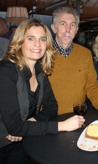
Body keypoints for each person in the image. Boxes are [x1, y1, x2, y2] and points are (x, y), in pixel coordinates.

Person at [0, 19, 85, 164]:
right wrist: (62, 126)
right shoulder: (6, 71)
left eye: (42, 39)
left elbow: (52, 106)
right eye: (31, 38)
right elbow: (14, 126)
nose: (37, 44)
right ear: (20, 42)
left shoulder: (40, 72)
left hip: (23, 141)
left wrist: (32, 121)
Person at [49, 6, 98, 116]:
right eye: (63, 24)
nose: (68, 29)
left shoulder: (85, 54)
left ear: (77, 30)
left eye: (72, 25)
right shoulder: (43, 54)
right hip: (50, 120)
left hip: (78, 118)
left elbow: (92, 86)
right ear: (54, 28)